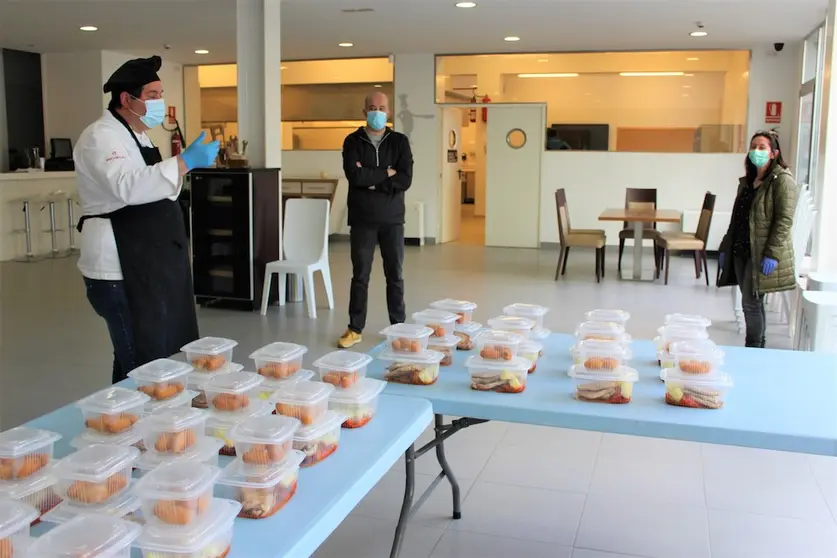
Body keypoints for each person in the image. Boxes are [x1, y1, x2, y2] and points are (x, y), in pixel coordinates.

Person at [74, 55, 220, 382]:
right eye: (153, 96)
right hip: (117, 266)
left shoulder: (138, 136)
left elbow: (159, 188)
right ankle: (131, 424)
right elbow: (127, 187)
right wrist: (182, 163)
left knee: (137, 356)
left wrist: (182, 166)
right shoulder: (101, 136)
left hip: (144, 262)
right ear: (127, 98)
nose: (160, 103)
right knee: (141, 364)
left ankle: (122, 422)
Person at [337, 92, 414, 348]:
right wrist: (386, 174)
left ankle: (398, 328)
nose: (377, 112)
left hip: (393, 220)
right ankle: (354, 328)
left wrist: (372, 179)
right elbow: (354, 177)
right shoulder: (352, 141)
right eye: (372, 107)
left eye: (381, 108)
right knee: (361, 275)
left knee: (395, 275)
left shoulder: (400, 141)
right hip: (362, 220)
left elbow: (405, 178)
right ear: (364, 112)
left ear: (389, 112)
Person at [717, 130, 799, 348]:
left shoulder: (782, 181)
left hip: (760, 251)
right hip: (742, 248)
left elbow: (784, 221)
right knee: (750, 301)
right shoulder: (748, 181)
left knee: (751, 303)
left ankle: (753, 347)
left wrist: (772, 253)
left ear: (774, 153)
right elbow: (737, 218)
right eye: (753, 146)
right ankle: (756, 346)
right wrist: (725, 246)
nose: (756, 151)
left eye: (762, 147)